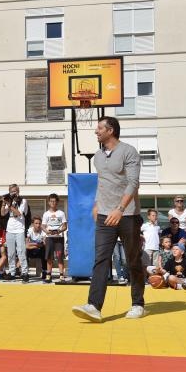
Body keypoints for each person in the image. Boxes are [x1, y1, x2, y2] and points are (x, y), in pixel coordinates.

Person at [72, 116, 144, 322]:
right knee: (101, 259)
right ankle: (94, 306)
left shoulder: (128, 151)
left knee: (132, 260)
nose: (96, 131)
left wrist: (120, 209)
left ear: (110, 130)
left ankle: (138, 303)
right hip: (104, 215)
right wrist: (96, 204)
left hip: (127, 214)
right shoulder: (97, 156)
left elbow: (133, 183)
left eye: (99, 128)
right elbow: (102, 183)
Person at [1, 184, 29, 283]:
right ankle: (12, 272)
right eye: (11, 191)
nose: (13, 193)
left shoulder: (23, 201)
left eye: (15, 191)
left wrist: (9, 204)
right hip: (10, 228)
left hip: (20, 228)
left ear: (18, 191)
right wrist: (4, 203)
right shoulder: (9, 201)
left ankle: (25, 273)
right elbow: (2, 213)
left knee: (21, 251)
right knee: (11, 253)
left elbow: (18, 213)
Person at [41, 193, 67, 283]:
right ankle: (48, 275)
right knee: (49, 257)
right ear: (48, 202)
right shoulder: (46, 214)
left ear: (57, 202)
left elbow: (65, 226)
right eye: (51, 201)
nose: (53, 203)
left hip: (59, 238)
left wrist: (59, 231)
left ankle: (61, 275)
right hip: (49, 238)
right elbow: (43, 226)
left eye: (55, 201)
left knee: (60, 256)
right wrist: (47, 231)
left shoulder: (61, 213)